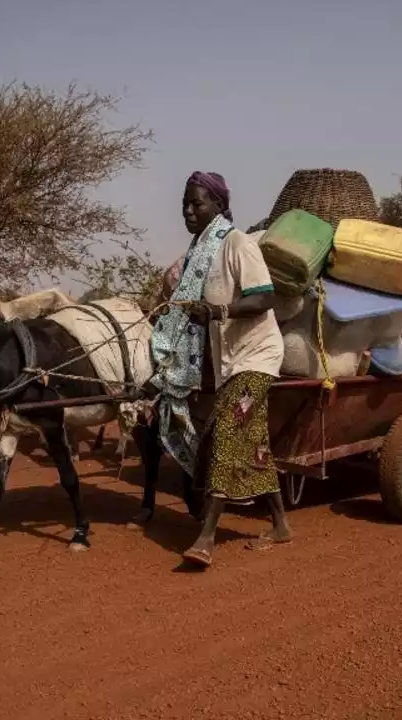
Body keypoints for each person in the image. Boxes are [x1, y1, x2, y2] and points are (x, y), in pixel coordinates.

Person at [147, 171, 291, 568]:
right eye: (185, 205)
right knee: (255, 443)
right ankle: (280, 524)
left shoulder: (236, 243)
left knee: (226, 432)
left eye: (198, 203)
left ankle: (206, 538)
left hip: (258, 357)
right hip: (231, 361)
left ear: (219, 206)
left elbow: (264, 298)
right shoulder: (197, 255)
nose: (190, 211)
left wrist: (217, 311)